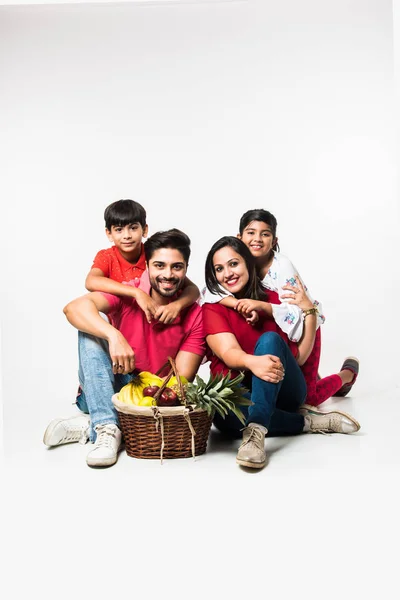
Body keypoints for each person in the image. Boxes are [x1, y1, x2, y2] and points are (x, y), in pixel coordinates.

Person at [43, 229, 206, 468]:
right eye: (159, 265)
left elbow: (178, 382)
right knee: (90, 329)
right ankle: (107, 427)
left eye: (176, 267)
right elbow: (73, 308)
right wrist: (113, 335)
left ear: (186, 268)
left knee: (95, 328)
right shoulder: (129, 292)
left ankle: (95, 426)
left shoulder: (195, 314)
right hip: (105, 384)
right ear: (147, 266)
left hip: (151, 397)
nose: (168, 274)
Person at [203, 236, 360, 470]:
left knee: (269, 340)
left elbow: (298, 359)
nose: (228, 273)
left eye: (233, 264)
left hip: (283, 390)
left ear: (247, 263)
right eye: (219, 269)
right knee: (221, 415)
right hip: (239, 395)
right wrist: (253, 363)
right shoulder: (212, 308)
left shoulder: (273, 300)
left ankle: (255, 433)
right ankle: (308, 423)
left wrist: (310, 312)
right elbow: (228, 352)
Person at [202, 208, 359, 405]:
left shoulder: (281, 266)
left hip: (305, 323)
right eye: (251, 233)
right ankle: (311, 378)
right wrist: (239, 304)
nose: (257, 239)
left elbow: (296, 312)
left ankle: (346, 375)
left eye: (265, 234)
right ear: (239, 237)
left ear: (275, 241)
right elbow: (210, 292)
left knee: (309, 398)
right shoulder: (235, 267)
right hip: (284, 332)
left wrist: (261, 306)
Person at [86, 199, 200, 324]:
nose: (127, 235)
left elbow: (192, 289)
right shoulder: (107, 256)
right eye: (119, 230)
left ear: (144, 230)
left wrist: (177, 305)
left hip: (147, 322)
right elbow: (91, 281)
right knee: (87, 316)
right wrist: (136, 293)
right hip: (117, 321)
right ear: (109, 233)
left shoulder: (154, 256)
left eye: (133, 228)